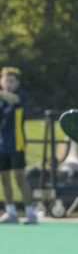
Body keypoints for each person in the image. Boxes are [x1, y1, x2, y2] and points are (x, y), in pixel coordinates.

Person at [0, 66, 37, 224]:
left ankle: (30, 213)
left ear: (17, 83)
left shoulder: (20, 95)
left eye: (12, 81)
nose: (8, 83)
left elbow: (14, 100)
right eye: (5, 80)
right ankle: (11, 212)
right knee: (4, 179)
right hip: (2, 145)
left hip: (17, 143)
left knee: (20, 178)